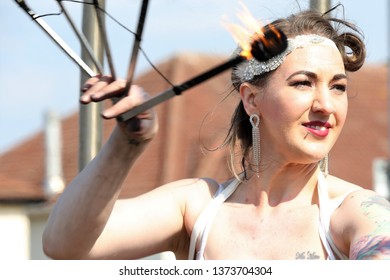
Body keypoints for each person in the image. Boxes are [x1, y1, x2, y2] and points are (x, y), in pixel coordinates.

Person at [42, 6, 390, 260]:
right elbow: (65, 246)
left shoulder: (355, 213)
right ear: (252, 99)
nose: (325, 105)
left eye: (338, 87)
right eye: (303, 83)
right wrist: (128, 142)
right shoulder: (197, 208)